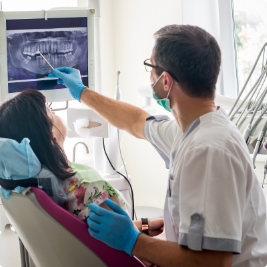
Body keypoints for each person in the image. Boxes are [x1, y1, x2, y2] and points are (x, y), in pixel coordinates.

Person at [48, 24, 267, 267]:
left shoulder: (208, 149)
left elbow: (213, 261)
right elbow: (135, 121)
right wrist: (82, 92)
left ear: (165, 81)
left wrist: (134, 241)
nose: (148, 74)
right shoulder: (191, 129)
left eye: (150, 67)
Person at [0, 89, 127, 221]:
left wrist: (146, 224)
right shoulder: (89, 189)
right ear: (51, 136)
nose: (55, 113)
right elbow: (128, 235)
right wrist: (147, 226)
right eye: (50, 111)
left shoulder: (25, 188)